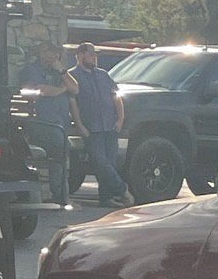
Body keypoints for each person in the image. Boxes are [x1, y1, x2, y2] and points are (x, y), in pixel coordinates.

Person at [68, 42, 133, 208]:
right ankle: (123, 190)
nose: (94, 57)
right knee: (101, 162)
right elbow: (73, 102)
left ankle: (106, 198)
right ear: (80, 55)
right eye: (91, 54)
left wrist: (120, 119)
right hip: (91, 128)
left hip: (110, 127)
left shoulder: (103, 75)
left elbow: (116, 96)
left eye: (95, 54)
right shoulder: (72, 76)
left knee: (110, 163)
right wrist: (80, 125)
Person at [17, 41, 78, 208]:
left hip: (60, 124)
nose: (50, 56)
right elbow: (41, 90)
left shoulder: (59, 72)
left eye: (53, 52)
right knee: (60, 149)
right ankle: (61, 198)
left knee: (65, 152)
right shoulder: (31, 70)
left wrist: (63, 71)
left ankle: (61, 196)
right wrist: (61, 89)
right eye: (46, 51)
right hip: (41, 123)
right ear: (39, 53)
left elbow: (75, 89)